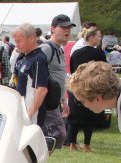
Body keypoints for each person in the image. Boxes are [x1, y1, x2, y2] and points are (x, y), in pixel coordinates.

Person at [66, 28, 107, 151]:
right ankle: (86, 144)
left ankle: (72, 143)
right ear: (91, 37)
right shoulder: (99, 53)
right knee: (90, 117)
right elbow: (103, 71)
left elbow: (73, 70)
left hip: (77, 87)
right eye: (98, 36)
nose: (100, 39)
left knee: (75, 117)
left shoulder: (76, 53)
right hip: (92, 88)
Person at [39, 14, 74, 149]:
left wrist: (64, 100)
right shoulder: (47, 48)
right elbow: (36, 74)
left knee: (55, 136)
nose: (67, 31)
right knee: (57, 135)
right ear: (53, 29)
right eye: (64, 27)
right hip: (45, 102)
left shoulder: (59, 48)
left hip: (54, 101)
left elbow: (60, 76)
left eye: (69, 28)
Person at [13, 23, 49, 127]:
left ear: (32, 39)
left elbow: (42, 89)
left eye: (19, 41)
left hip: (32, 113)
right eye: (15, 41)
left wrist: (29, 114)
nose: (17, 45)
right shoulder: (23, 56)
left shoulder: (38, 59)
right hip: (22, 107)